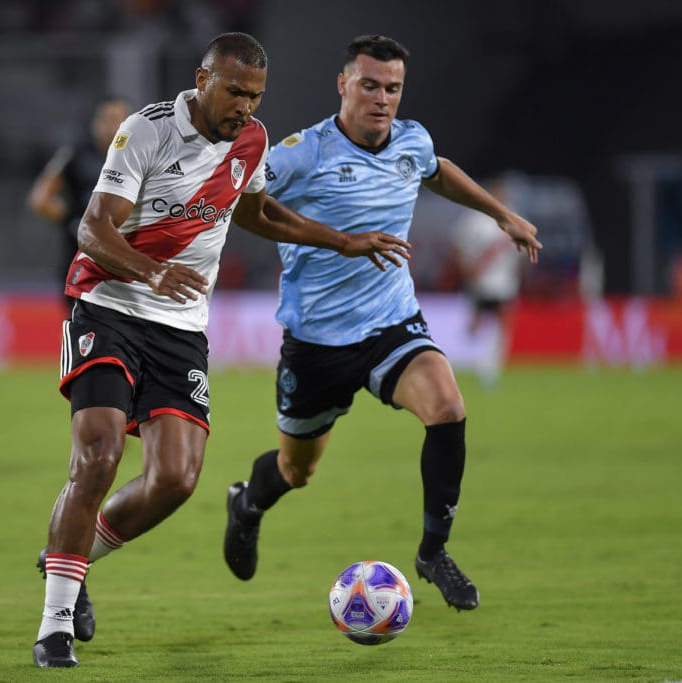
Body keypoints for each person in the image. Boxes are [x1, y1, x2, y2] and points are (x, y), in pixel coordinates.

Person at [32, 32, 411, 668]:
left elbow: (259, 211)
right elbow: (92, 228)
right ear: (203, 80)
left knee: (176, 480)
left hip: (181, 328)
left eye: (256, 96)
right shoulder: (146, 131)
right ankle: (55, 625)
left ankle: (66, 561)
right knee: (97, 454)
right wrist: (151, 272)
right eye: (236, 91)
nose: (246, 106)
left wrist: (338, 240)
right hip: (110, 305)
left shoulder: (252, 139)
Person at [222, 35, 542, 613]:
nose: (382, 98)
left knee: (448, 407)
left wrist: (502, 214)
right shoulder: (303, 153)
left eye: (392, 88)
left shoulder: (411, 140)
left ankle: (432, 552)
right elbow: (248, 204)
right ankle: (247, 504)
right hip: (317, 341)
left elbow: (435, 170)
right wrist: (339, 242)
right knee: (297, 470)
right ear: (343, 85)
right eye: (369, 85)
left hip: (391, 324)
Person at [27, 95, 133, 307]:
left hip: (126, 259)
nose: (114, 127)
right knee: (82, 326)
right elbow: (40, 199)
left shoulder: (138, 156)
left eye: (121, 120)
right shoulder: (75, 154)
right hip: (82, 260)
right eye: (108, 119)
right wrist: (73, 222)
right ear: (95, 123)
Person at [450, 175, 526, 388]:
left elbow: (519, 255)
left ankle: (489, 368)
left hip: (505, 283)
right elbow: (456, 250)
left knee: (502, 325)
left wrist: (519, 276)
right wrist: (466, 272)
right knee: (476, 326)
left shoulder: (512, 217)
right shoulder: (474, 219)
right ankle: (470, 362)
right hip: (481, 283)